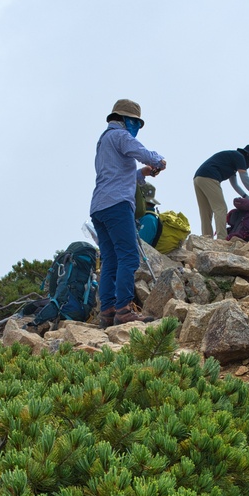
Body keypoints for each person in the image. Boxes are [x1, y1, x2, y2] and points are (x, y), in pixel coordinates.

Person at [91, 98, 166, 328]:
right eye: (136, 123)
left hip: (99, 207)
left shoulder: (103, 141)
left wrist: (142, 173)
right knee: (129, 256)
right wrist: (159, 161)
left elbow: (120, 176)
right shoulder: (121, 136)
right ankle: (123, 310)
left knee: (111, 259)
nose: (136, 128)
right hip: (118, 205)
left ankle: (107, 312)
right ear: (125, 119)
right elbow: (144, 153)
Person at [194, 145, 249, 238]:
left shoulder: (232, 161)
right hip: (210, 177)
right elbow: (245, 178)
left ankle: (206, 238)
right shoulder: (239, 156)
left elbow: (235, 185)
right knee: (221, 208)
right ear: (248, 155)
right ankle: (222, 238)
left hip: (198, 178)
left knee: (206, 211)